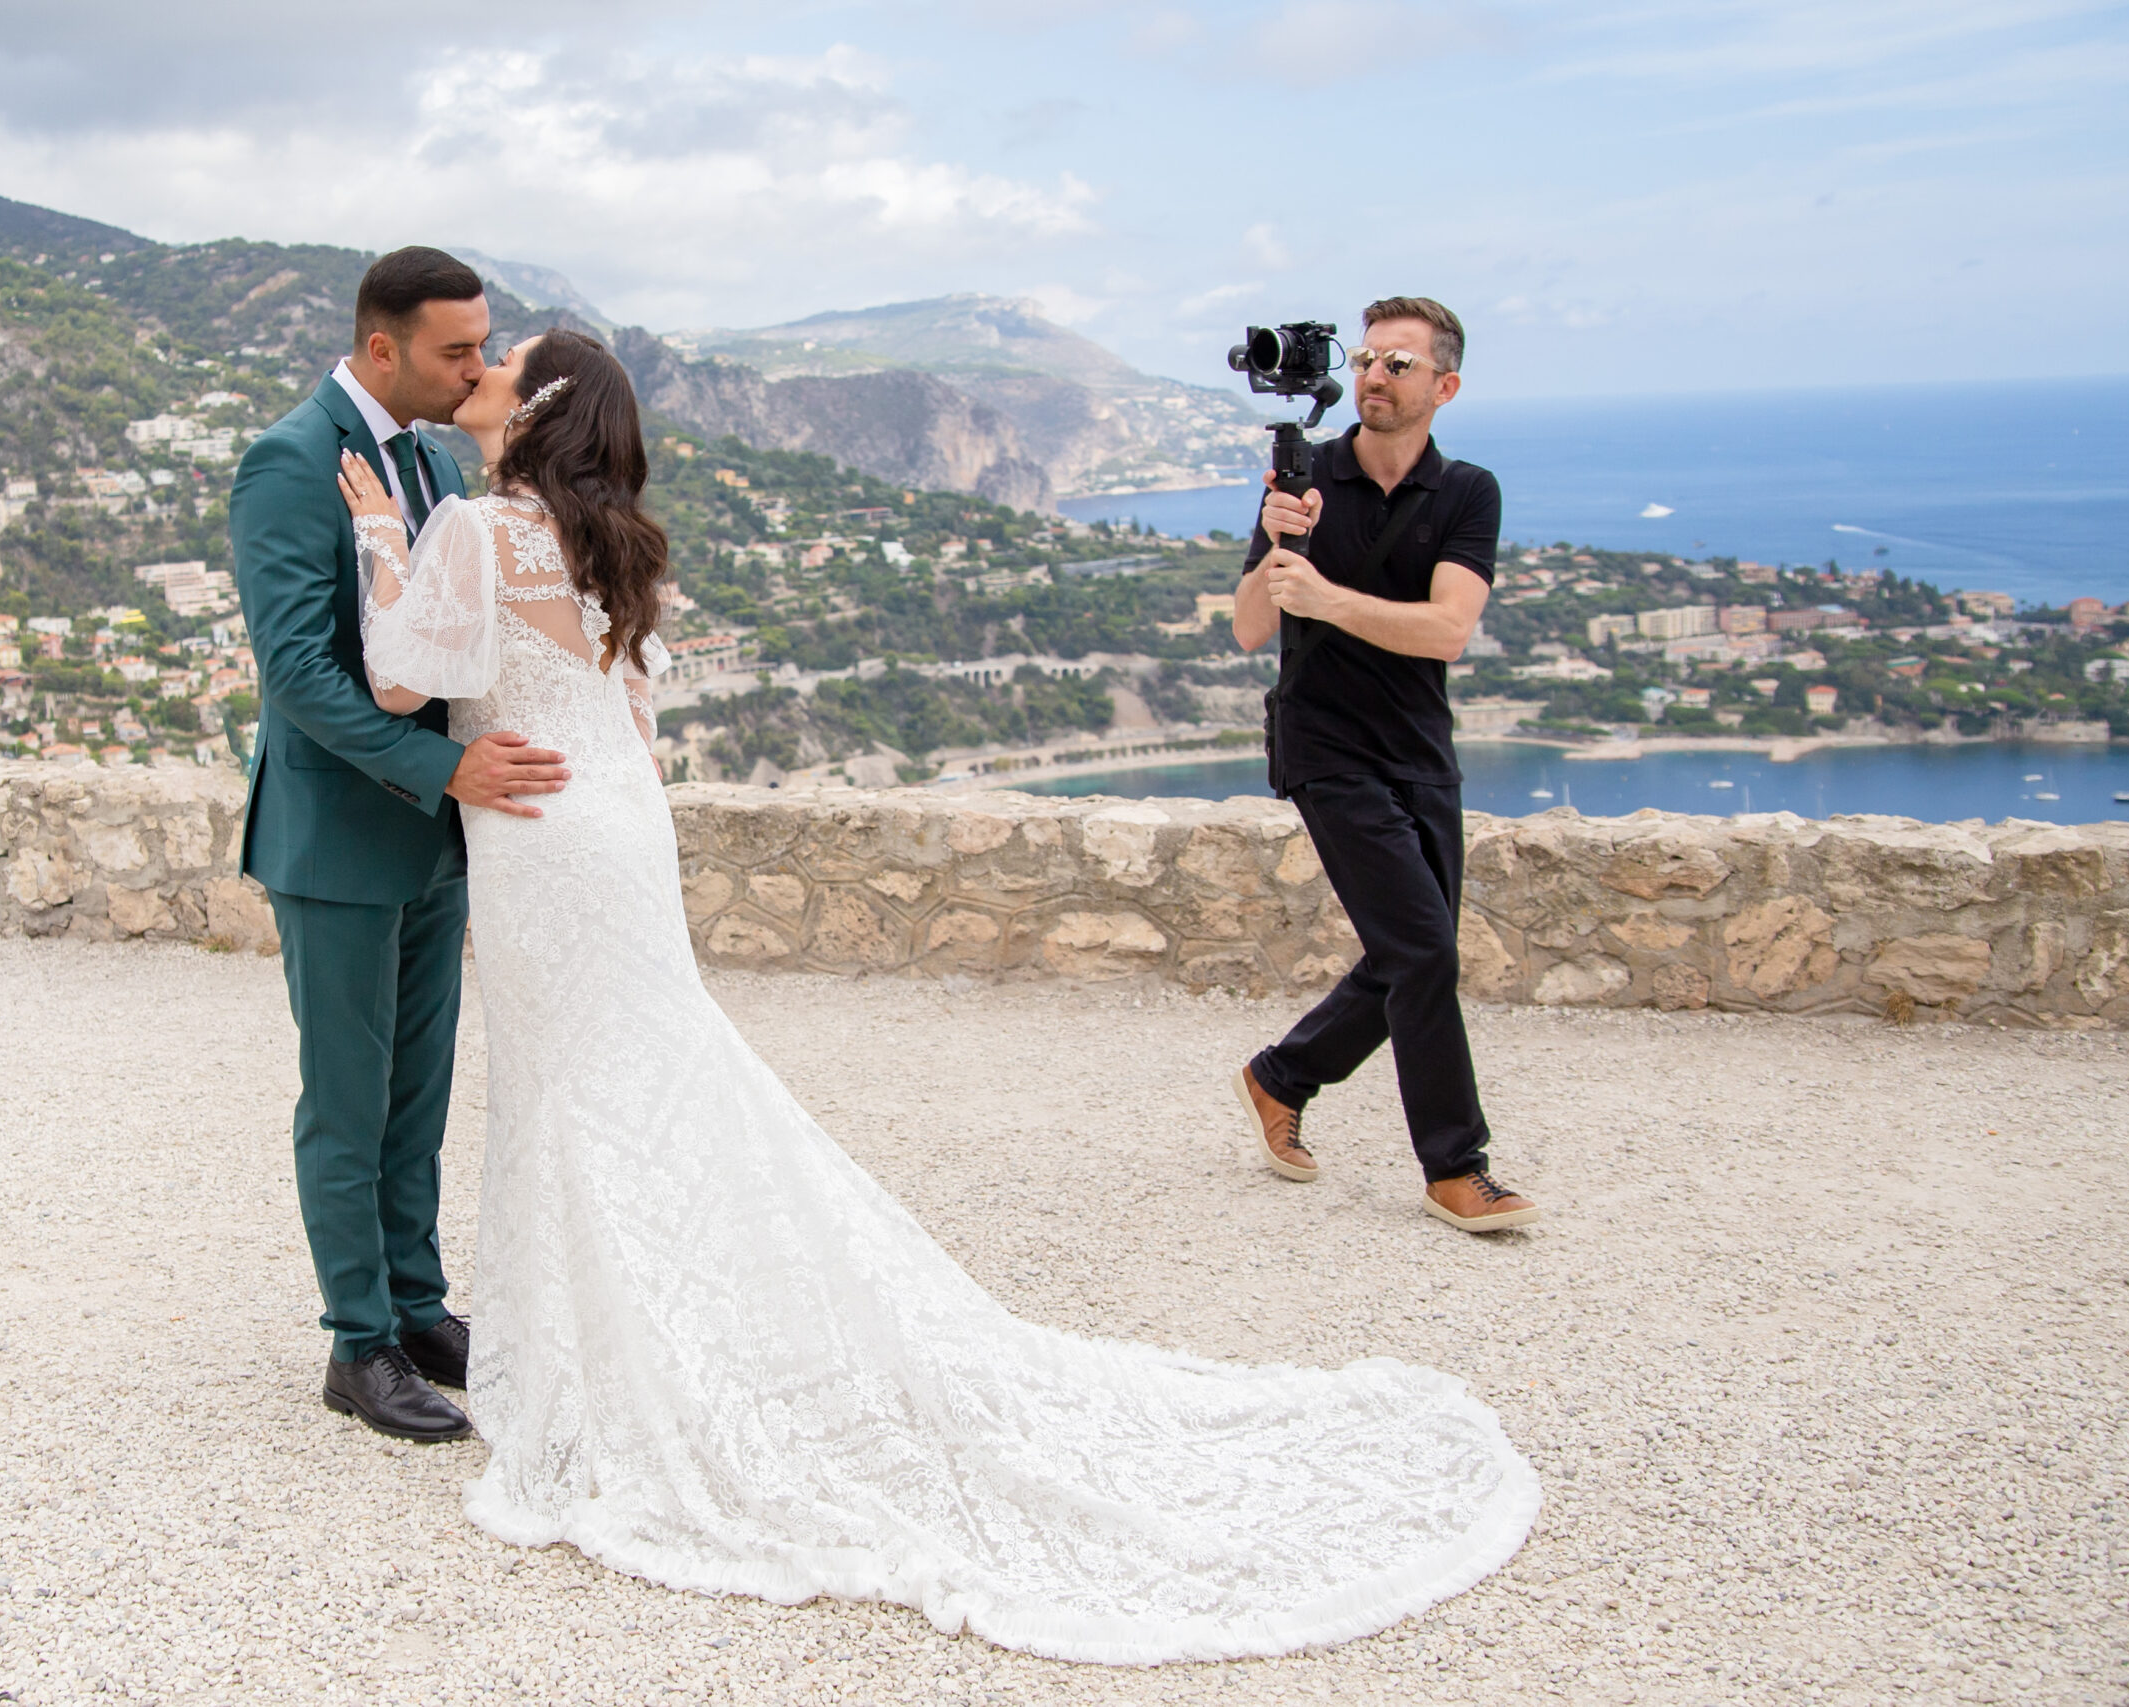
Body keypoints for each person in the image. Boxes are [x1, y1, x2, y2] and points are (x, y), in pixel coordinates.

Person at [337, 325, 1539, 1665]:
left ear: (533, 405)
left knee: (573, 1080)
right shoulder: (615, 534)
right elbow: (628, 710)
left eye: (499, 367)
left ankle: (599, 1354)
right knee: (642, 1066)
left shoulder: (470, 529)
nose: (478, 376)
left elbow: (401, 677)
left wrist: (385, 536)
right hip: (614, 822)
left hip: (537, 834)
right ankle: (610, 1327)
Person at [230, 247, 571, 1446]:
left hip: (436, 837)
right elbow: (300, 675)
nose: (478, 369)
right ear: (382, 347)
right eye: (456, 350)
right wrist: (446, 768)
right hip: (336, 838)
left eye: (483, 344)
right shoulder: (286, 462)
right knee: (346, 1099)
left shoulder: (429, 458)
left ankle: (417, 1308)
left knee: (416, 1095)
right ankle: (357, 1343)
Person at [1228, 296, 1542, 1235]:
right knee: (1424, 949)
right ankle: (1456, 1167)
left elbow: (1447, 630)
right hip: (1326, 746)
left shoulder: (1467, 492)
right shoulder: (1307, 475)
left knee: (1412, 953)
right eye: (1366, 358)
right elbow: (1250, 626)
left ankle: (1281, 1075)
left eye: (1399, 363)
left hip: (1419, 748)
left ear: (1444, 386)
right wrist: (1280, 546)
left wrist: (1323, 596)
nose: (1373, 374)